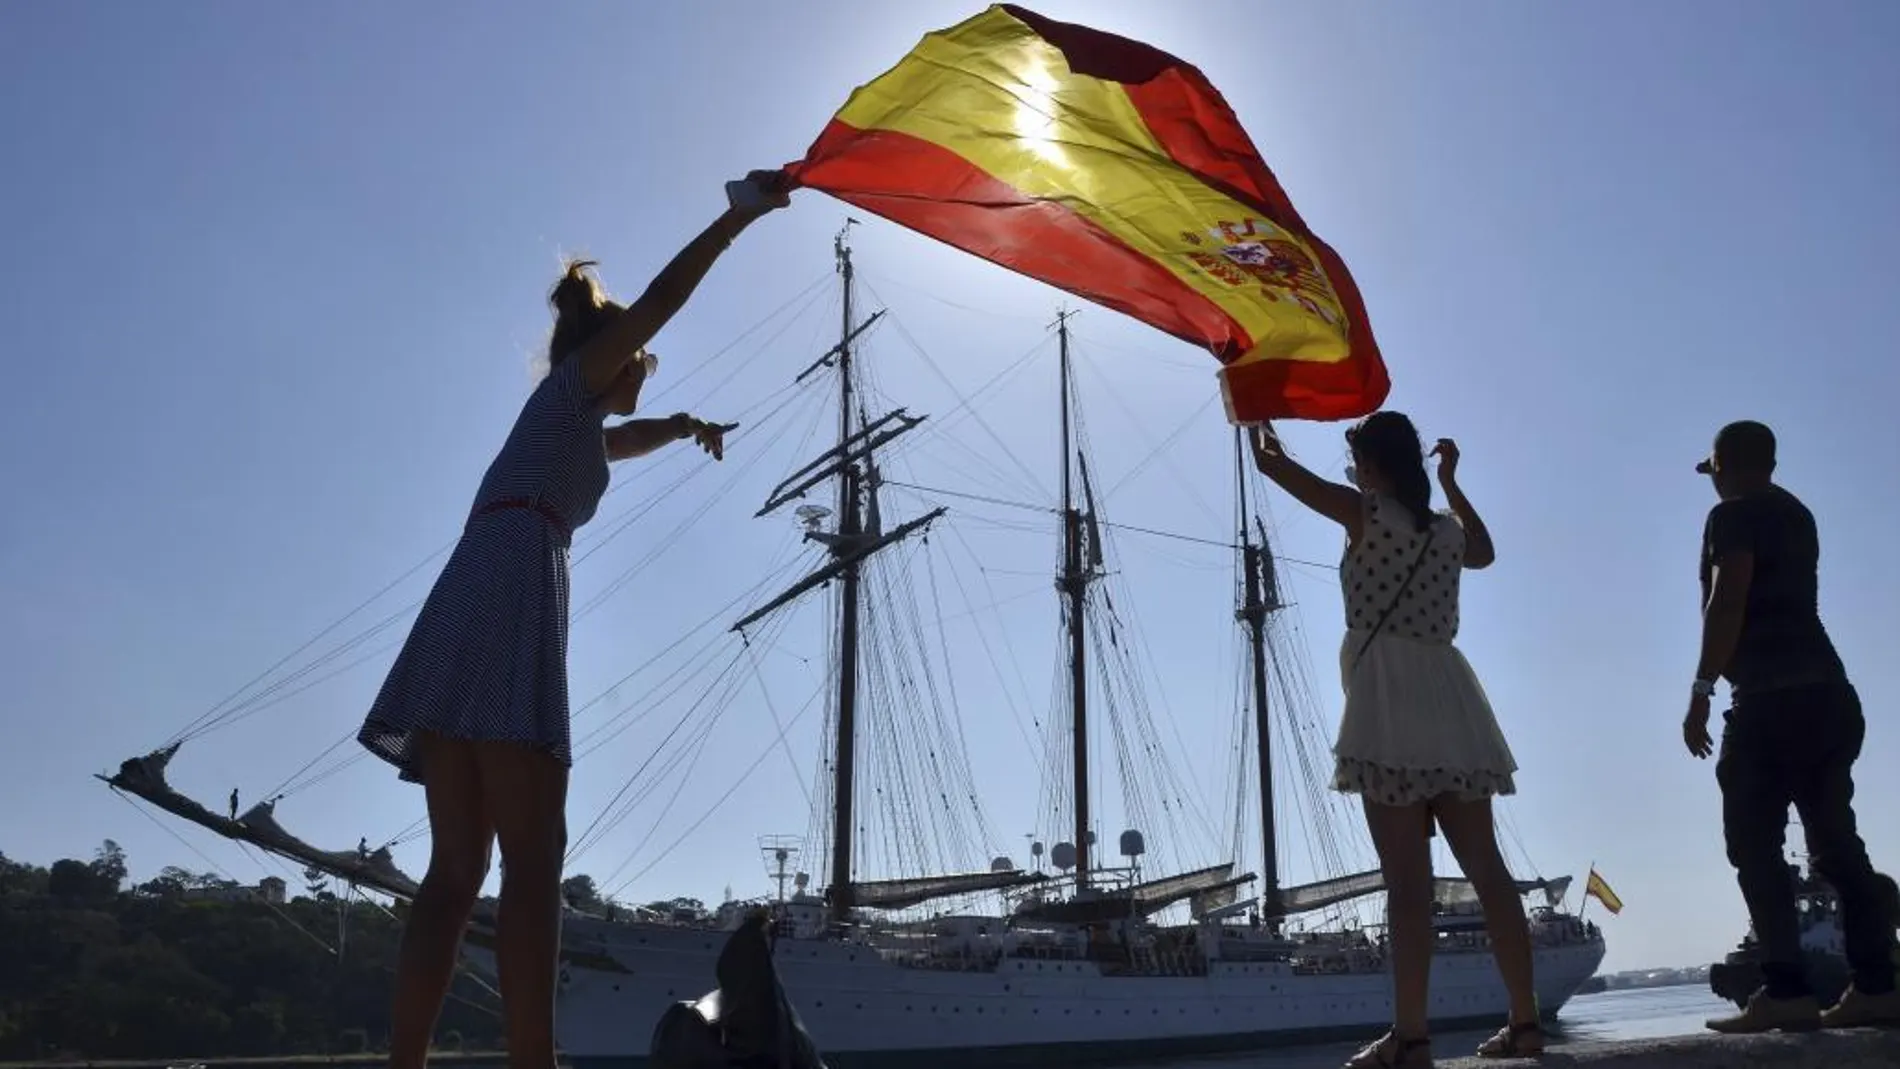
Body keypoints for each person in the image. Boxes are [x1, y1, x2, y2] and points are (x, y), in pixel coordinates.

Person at [356, 170, 790, 1069]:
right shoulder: (574, 385)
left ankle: (405, 1062)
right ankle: (535, 1063)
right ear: (613, 353)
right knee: (535, 857)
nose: (643, 366)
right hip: (517, 583)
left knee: (456, 870)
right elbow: (666, 300)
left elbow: (621, 442)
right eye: (640, 359)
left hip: (470, 589)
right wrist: (735, 219)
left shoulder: (565, 419)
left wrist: (678, 423)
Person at [1250, 412, 1540, 1067]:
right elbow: (1486, 551)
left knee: (1408, 885)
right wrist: (1452, 483)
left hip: (1388, 702)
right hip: (1451, 696)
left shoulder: (1364, 513)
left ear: (1374, 467)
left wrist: (1250, 407)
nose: (1353, 471)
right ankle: (1525, 1022)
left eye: (1357, 460)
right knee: (1489, 873)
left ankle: (1411, 1037)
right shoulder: (1445, 531)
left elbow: (1272, 464)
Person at [1682, 420, 1899, 1031]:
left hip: (1768, 702)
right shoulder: (1797, 514)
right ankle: (1878, 985)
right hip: (1830, 696)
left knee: (1755, 845)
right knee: (1835, 845)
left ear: (1722, 465)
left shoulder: (1734, 517)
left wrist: (1701, 691)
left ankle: (1785, 990)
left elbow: (1730, 597)